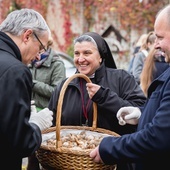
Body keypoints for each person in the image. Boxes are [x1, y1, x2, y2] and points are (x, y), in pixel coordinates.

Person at [48, 32, 146, 169]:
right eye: (77, 53)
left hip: (113, 163)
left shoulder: (121, 79)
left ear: (100, 57)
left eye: (87, 53)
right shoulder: (64, 86)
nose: (80, 59)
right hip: (71, 164)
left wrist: (104, 97)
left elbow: (141, 111)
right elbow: (52, 126)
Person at [89, 5, 170, 170]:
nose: (156, 45)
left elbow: (159, 137)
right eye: (77, 53)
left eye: (160, 37)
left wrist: (109, 148)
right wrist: (141, 114)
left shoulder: (121, 77)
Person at [0, 8, 53, 170]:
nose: (39, 56)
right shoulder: (15, 70)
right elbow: (19, 142)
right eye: (41, 47)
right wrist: (36, 125)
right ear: (27, 36)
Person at [29, 38, 66, 110]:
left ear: (48, 46)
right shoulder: (29, 60)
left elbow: (57, 92)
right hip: (28, 110)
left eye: (41, 48)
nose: (38, 52)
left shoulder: (57, 64)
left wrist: (33, 84)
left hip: (47, 112)